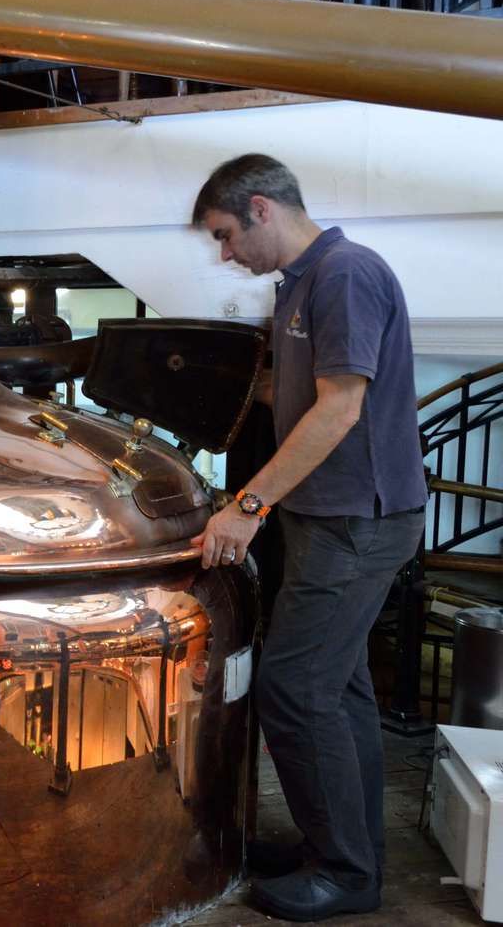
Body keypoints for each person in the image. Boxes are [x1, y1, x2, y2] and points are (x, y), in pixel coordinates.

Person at [188, 154, 426, 922]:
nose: (226, 254)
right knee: (341, 689)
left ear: (261, 207)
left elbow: (340, 408)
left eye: (226, 235)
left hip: (358, 521)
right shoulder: (298, 286)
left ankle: (347, 873)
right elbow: (295, 394)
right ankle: (346, 846)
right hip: (331, 519)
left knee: (294, 688)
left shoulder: (345, 272)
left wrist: (247, 506)